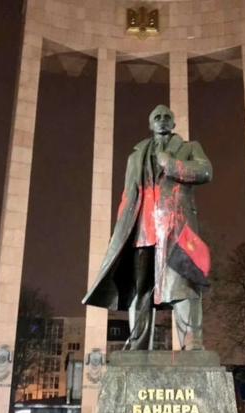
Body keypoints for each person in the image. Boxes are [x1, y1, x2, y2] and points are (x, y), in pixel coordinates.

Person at [82, 104, 212, 350]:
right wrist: (120, 232)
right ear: (151, 124)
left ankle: (191, 340)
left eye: (167, 117)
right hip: (142, 229)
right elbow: (128, 196)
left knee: (184, 283)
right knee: (140, 288)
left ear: (173, 123)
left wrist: (171, 164)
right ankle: (138, 343)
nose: (162, 120)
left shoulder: (188, 147)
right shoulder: (135, 157)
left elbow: (205, 171)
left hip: (176, 227)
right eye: (157, 117)